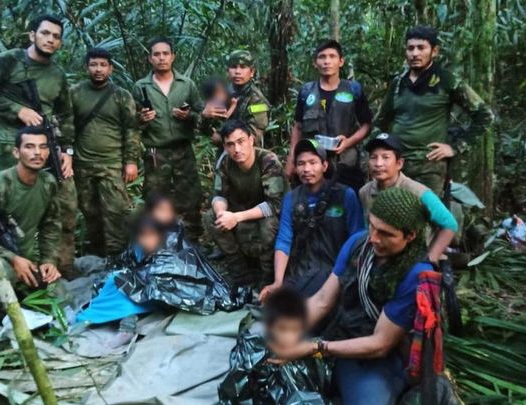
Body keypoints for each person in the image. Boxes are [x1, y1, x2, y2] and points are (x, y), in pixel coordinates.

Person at [268, 188, 434, 405]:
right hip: (342, 332)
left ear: (410, 235)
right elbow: (322, 301)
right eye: (372, 226)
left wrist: (316, 348)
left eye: (386, 233)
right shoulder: (358, 243)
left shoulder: (415, 275)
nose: (374, 238)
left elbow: (380, 343)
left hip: (376, 355)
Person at [0, 14, 77, 275]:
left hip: (48, 146)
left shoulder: (57, 74)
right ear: (32, 35)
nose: (50, 40)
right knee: (8, 210)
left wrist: (67, 151)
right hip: (10, 147)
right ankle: (9, 268)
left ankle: (58, 268)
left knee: (65, 205)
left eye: (56, 37)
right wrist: (16, 110)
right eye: (45, 33)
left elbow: (66, 115)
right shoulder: (10, 61)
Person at [374, 26, 494, 195]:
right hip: (397, 165)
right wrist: (379, 154)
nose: (415, 53)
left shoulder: (447, 81)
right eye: (410, 48)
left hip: (429, 166)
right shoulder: (398, 83)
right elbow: (380, 122)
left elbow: (485, 116)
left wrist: (455, 147)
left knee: (426, 217)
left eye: (421, 48)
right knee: (391, 215)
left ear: (434, 51)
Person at [260, 139, 364, 300]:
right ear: (295, 167)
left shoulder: (345, 195)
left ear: (324, 166)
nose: (307, 169)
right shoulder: (291, 198)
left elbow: (357, 238)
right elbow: (284, 240)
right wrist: (278, 281)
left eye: (312, 162)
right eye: (301, 163)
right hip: (301, 271)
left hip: (335, 272)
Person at [0, 127, 62, 292]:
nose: (37, 153)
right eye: (29, 147)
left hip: (24, 256)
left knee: (58, 293)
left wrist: (49, 261)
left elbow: (51, 225)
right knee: (2, 275)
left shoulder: (48, 183)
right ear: (16, 152)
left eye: (43, 147)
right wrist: (12, 259)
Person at [132, 36, 204, 241]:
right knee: (155, 197)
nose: (161, 58)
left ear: (173, 57)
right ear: (150, 59)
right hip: (156, 151)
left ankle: (193, 241)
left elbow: (202, 115)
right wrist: (142, 118)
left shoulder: (186, 84)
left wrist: (188, 116)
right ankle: (157, 242)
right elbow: (132, 122)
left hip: (183, 149)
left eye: (165, 54)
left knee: (190, 195)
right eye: (156, 54)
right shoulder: (140, 87)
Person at [70, 48, 140, 257]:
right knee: (91, 213)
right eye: (93, 65)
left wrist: (131, 161)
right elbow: (65, 126)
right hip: (82, 164)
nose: (98, 69)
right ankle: (97, 255)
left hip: (112, 164)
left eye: (103, 65)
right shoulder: (74, 93)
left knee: (115, 212)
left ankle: (117, 256)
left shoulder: (121, 95)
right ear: (86, 67)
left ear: (110, 68)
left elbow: (131, 129)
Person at [203, 120, 288, 287]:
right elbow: (219, 195)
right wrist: (221, 214)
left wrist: (236, 217)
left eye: (241, 141)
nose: (237, 149)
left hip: (268, 215)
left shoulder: (267, 160)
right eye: (230, 145)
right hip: (241, 212)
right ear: (225, 147)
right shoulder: (225, 163)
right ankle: (240, 274)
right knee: (210, 217)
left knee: (269, 225)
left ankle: (268, 277)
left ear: (251, 140)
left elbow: (274, 204)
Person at [286, 40, 373, 191]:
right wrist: (292, 158)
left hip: (345, 163)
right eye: (322, 57)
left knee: (345, 205)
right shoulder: (307, 92)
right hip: (312, 164)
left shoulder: (353, 90)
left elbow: (367, 125)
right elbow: (298, 126)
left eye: (332, 56)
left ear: (341, 61)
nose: (327, 61)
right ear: (315, 62)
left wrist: (348, 142)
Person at [359, 133, 457, 263]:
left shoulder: (418, 192)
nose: (378, 163)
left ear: (399, 163)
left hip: (413, 258)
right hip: (380, 255)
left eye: (385, 157)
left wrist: (431, 258)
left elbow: (450, 225)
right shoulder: (365, 192)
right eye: (373, 158)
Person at [201, 50, 270, 146]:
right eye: (233, 67)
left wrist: (223, 139)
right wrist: (205, 116)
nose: (237, 72)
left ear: (252, 72)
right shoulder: (222, 92)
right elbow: (206, 130)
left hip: (247, 156)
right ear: (227, 71)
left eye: (243, 67)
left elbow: (254, 137)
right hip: (225, 154)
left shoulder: (257, 101)